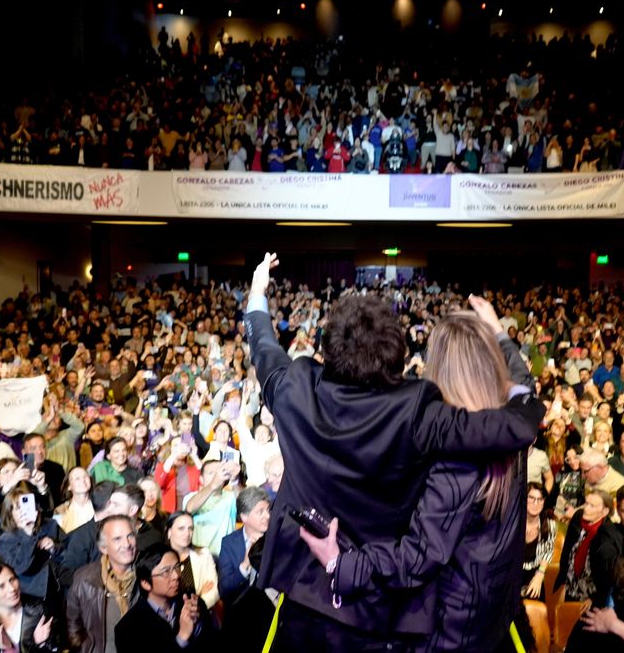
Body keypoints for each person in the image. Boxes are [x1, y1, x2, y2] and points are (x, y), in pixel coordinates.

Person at [244, 252, 540, 650]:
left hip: (312, 599)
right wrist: (500, 338)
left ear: (326, 352)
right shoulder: (422, 412)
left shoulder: (294, 390)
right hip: (391, 616)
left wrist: (257, 297)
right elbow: (515, 420)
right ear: (398, 357)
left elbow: (264, 349)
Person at [114, 545, 216, 652]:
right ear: (145, 583)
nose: (176, 576)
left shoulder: (193, 602)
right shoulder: (128, 628)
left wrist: (198, 626)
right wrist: (182, 637)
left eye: (177, 567)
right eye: (166, 572)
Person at [66, 515, 139, 653]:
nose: (127, 544)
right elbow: (73, 626)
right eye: (117, 539)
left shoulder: (146, 575)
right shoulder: (85, 580)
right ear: (104, 548)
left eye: (130, 536)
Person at [0, 562, 57, 652]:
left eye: (12, 580)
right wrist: (0, 649)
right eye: (1, 586)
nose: (12, 588)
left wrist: (39, 644)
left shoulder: (39, 611)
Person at [555, 490, 614, 608]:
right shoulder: (577, 518)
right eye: (586, 503)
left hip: (591, 594)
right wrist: (562, 581)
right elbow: (566, 551)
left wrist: (594, 599)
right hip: (571, 586)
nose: (586, 509)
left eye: (592, 506)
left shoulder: (608, 533)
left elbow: (607, 574)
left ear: (605, 511)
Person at [219, 486, 270, 602]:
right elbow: (224, 588)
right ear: (244, 517)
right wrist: (245, 564)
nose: (267, 516)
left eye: (268, 510)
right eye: (260, 512)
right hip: (239, 610)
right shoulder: (229, 543)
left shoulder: (275, 539)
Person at [163, 511, 220, 609]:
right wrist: (199, 595)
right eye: (181, 528)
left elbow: (214, 591)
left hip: (201, 614)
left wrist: (196, 607)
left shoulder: (203, 554)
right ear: (169, 532)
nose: (187, 533)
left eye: (190, 528)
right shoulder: (160, 559)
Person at [521, 481, 557, 600]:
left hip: (534, 574)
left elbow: (548, 552)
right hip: (510, 574)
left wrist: (539, 575)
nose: (535, 503)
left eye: (540, 499)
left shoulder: (550, 525)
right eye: (531, 498)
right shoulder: (512, 523)